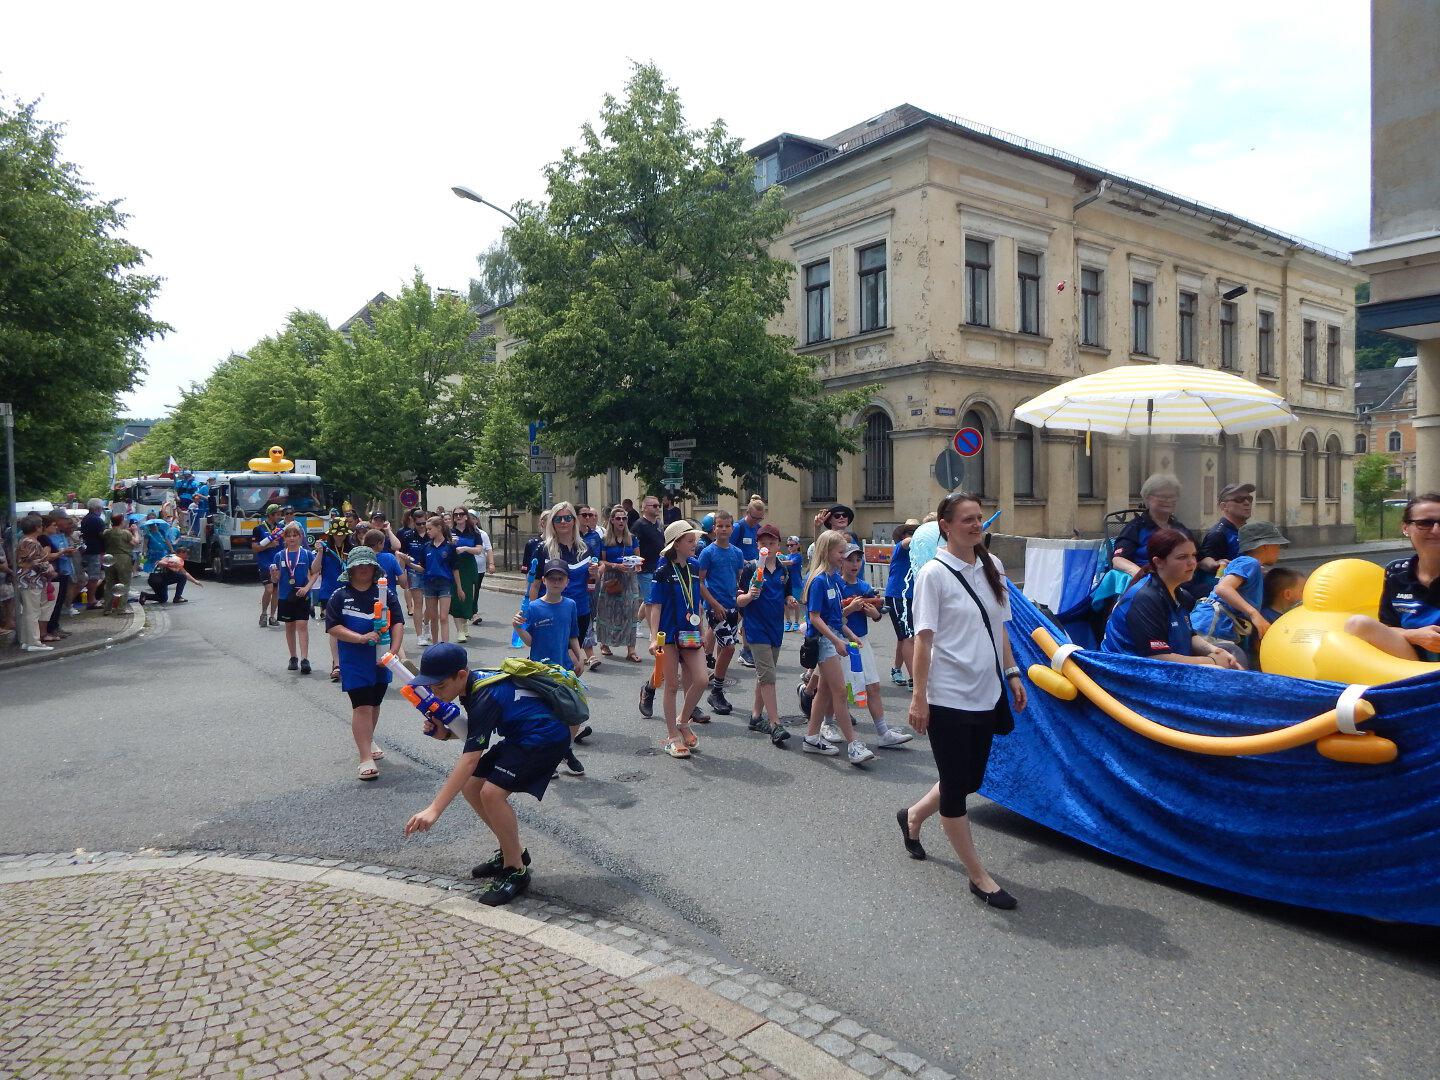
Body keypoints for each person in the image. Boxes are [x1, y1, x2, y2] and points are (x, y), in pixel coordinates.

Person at [899, 492, 1029, 910]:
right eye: (967, 519)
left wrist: (1012, 673)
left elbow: (1000, 627)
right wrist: (919, 697)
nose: (976, 525)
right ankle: (979, 877)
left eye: (979, 518)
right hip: (948, 696)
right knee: (956, 787)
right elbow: (923, 641)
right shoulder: (933, 574)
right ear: (946, 525)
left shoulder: (993, 566)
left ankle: (913, 815)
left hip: (986, 692)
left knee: (972, 780)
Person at [403, 643, 577, 907]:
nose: (436, 693)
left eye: (440, 687)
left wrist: (434, 809)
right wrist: (444, 733)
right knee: (472, 786)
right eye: (431, 687)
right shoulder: (474, 685)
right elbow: (476, 732)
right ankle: (513, 850)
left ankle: (515, 870)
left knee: (492, 794)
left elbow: (470, 758)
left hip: (545, 739)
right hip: (523, 735)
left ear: (461, 675)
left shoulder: (484, 696)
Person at [1101, 528, 1242, 668]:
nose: (1192, 562)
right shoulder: (1145, 598)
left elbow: (1189, 635)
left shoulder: (1181, 594)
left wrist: (1215, 651)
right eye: (1182, 557)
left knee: (1232, 653)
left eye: (1193, 555)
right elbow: (1157, 657)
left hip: (1164, 665)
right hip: (1128, 671)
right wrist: (1213, 661)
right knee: (1219, 670)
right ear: (1158, 562)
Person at [325, 547, 405, 780]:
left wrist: (393, 651)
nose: (363, 569)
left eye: (367, 565)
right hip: (354, 660)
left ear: (374, 568)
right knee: (362, 706)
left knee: (374, 703)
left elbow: (398, 623)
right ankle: (365, 758)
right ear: (350, 569)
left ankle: (368, 740)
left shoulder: (386, 594)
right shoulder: (339, 595)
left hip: (381, 659)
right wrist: (361, 638)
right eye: (358, 565)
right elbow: (333, 627)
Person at [800, 530, 875, 765]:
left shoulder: (833, 579)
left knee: (824, 692)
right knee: (840, 692)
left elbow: (836, 617)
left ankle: (811, 737)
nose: (844, 556)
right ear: (827, 552)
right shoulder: (819, 580)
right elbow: (814, 618)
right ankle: (853, 745)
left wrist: (850, 635)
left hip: (832, 639)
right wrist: (836, 641)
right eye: (841, 552)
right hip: (824, 642)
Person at [1344, 492, 1440, 662]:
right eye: (1424, 523)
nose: (1436, 530)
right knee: (1358, 624)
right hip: (1410, 664)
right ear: (1405, 528)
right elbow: (1388, 628)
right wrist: (1415, 635)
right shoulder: (1396, 573)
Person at [513, 559, 586, 777]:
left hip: (564, 669)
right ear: (543, 580)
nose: (556, 582)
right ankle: (548, 759)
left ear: (567, 582)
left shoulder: (570, 605)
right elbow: (530, 641)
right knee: (548, 717)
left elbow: (573, 635)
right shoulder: (534, 607)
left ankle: (565, 750)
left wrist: (580, 656)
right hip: (540, 671)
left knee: (575, 713)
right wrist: (518, 628)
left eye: (560, 578)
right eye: (551, 578)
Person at [646, 519, 713, 755]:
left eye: (695, 540)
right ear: (676, 544)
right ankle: (672, 736)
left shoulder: (694, 567)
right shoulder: (662, 571)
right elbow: (655, 606)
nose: (695, 544)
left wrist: (701, 629)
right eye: (690, 540)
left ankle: (683, 721)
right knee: (672, 685)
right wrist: (654, 638)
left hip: (691, 632)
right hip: (668, 634)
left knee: (701, 679)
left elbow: (697, 601)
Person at [838, 544, 913, 746]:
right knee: (837, 690)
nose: (854, 564)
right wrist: (849, 608)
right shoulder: (836, 585)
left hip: (861, 642)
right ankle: (826, 725)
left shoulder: (864, 586)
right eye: (850, 560)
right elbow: (830, 617)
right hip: (839, 642)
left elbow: (877, 613)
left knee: (873, 686)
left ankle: (883, 732)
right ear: (841, 561)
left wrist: (875, 614)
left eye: (857, 560)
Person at [1190, 521, 1290, 662]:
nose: (1279, 550)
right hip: (1213, 626)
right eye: (1277, 545)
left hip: (1209, 624)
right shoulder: (1250, 563)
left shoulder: (1246, 563)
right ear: (1265, 546)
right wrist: (1254, 614)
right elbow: (1223, 588)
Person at [735, 522, 796, 745]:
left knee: (764, 676)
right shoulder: (751, 568)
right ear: (757, 545)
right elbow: (739, 600)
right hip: (756, 628)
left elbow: (787, 594)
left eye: (771, 543)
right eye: (763, 543)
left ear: (778, 545)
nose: (767, 547)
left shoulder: (783, 570)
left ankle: (755, 716)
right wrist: (750, 595)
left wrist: (790, 600)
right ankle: (775, 724)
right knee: (768, 677)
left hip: (775, 628)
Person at [526, 502, 600, 671]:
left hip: (580, 612)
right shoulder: (543, 549)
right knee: (564, 662)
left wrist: (596, 574)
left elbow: (592, 582)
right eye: (558, 519)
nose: (563, 522)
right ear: (552, 522)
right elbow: (535, 585)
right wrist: (531, 612)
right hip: (551, 613)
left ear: (574, 520)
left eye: (567, 518)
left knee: (573, 666)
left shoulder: (585, 548)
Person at [697, 510, 744, 715]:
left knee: (723, 649)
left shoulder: (737, 553)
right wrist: (714, 604)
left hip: (733, 608)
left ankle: (716, 691)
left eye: (727, 526)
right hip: (715, 608)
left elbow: (739, 580)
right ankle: (716, 691)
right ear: (713, 529)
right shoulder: (708, 552)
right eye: (720, 526)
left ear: (732, 528)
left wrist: (741, 599)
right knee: (730, 648)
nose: (723, 529)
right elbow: (699, 582)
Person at [1111, 474, 1192, 579]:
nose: (1168, 500)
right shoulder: (1135, 527)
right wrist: (1141, 575)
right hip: (1149, 580)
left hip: (1182, 580)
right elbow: (1118, 560)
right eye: (1162, 497)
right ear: (1148, 498)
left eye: (1172, 497)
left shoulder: (1181, 529)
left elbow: (1198, 557)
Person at [593, 504, 642, 663]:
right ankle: (604, 644)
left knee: (630, 612)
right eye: (618, 518)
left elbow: (638, 559)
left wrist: (635, 565)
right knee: (607, 611)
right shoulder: (604, 540)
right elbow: (601, 561)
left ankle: (631, 649)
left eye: (624, 518)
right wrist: (615, 565)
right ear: (612, 520)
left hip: (629, 578)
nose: (621, 521)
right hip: (611, 577)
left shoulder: (632, 538)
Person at [272, 522, 316, 673]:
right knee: (289, 626)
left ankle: (304, 659)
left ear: (300, 537)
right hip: (285, 596)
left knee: (302, 625)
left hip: (302, 595)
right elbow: (276, 579)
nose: (292, 538)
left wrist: (307, 588)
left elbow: (315, 573)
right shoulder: (279, 555)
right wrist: (273, 575)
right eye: (289, 536)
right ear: (284, 538)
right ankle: (293, 657)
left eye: (295, 535)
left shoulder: (307, 554)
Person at [1196, 482, 1256, 592]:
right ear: (1224, 506)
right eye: (1239, 499)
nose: (1247, 502)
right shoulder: (1217, 534)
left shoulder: (1247, 532)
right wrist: (1215, 564)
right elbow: (1204, 562)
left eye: (1249, 498)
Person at [311, 521, 348, 679]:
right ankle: (337, 664)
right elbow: (314, 569)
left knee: (348, 627)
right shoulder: (325, 549)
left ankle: (346, 662)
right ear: (331, 534)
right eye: (337, 534)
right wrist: (319, 552)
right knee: (334, 629)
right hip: (329, 594)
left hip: (349, 592)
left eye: (342, 533)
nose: (339, 536)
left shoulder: (351, 548)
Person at [14, 515, 55, 652]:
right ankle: (34, 642)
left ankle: (26, 640)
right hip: (31, 580)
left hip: (26, 579)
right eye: (41, 525)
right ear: (37, 527)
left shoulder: (23, 540)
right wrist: (48, 569)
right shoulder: (32, 542)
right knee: (33, 611)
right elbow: (34, 562)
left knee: (28, 611)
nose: (42, 527)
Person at [885, 520, 919, 686]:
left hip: (913, 596)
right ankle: (915, 680)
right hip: (898, 596)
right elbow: (908, 542)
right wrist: (923, 535)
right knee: (908, 637)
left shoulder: (921, 552)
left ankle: (896, 670)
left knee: (904, 637)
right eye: (910, 532)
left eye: (915, 531)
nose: (913, 535)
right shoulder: (901, 547)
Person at [419, 513, 460, 647]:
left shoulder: (450, 546)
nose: (427, 532)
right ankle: (435, 645)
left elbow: (455, 568)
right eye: (427, 529)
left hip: (445, 583)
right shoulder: (426, 547)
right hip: (429, 584)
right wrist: (408, 563)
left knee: (443, 616)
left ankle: (445, 645)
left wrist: (459, 588)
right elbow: (422, 567)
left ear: (439, 528)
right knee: (433, 617)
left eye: (430, 529)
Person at [449, 508, 485, 643]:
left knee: (467, 597)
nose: (458, 516)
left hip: (469, 567)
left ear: (466, 517)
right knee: (456, 597)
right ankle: (459, 630)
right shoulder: (449, 532)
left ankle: (464, 623)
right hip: (454, 566)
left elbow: (479, 550)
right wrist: (451, 544)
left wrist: (465, 549)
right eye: (455, 514)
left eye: (461, 514)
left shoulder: (474, 532)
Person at [41, 512, 75, 643]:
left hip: (62, 570)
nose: (56, 527)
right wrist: (63, 552)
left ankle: (55, 626)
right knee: (53, 603)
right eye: (53, 525)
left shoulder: (60, 534)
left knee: (59, 601)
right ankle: (50, 629)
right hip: (54, 573)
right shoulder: (45, 539)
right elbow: (47, 557)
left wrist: (67, 552)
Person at [252, 504, 284, 627]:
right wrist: (269, 545)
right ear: (270, 515)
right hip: (265, 564)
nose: (280, 516)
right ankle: (264, 613)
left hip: (278, 564)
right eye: (277, 514)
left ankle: (272, 616)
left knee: (276, 590)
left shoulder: (281, 528)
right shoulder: (259, 529)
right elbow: (255, 548)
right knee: (269, 589)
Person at [101, 512, 139, 615]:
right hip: (123, 558)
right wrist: (135, 531)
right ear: (121, 522)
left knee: (109, 583)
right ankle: (121, 608)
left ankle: (107, 608)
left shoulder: (106, 532)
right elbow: (135, 542)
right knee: (124, 583)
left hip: (109, 558)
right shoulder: (125, 533)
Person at [80, 498, 106, 610]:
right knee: (94, 576)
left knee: (89, 576)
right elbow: (103, 535)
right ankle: (91, 600)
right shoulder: (97, 520)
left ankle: (89, 598)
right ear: (98, 508)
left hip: (87, 549)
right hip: (95, 550)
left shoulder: (85, 519)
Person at [782, 536, 805, 631]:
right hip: (787, 583)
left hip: (796, 583)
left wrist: (778, 561)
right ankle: (788, 621)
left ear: (798, 545)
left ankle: (796, 622)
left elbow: (790, 563)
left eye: (792, 545)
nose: (789, 547)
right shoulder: (786, 556)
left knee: (795, 603)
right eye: (788, 545)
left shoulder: (798, 556)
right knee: (785, 603)